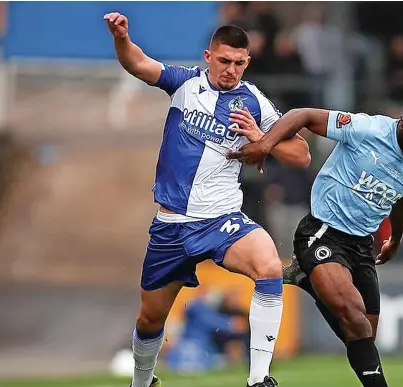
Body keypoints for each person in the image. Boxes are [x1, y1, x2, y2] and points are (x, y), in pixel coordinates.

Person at [103, 12, 311, 387]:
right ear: (208, 57)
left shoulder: (255, 104)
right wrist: (121, 37)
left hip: (220, 220)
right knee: (150, 319)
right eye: (224, 61)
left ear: (247, 63)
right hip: (171, 225)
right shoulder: (184, 85)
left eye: (238, 63)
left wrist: (261, 139)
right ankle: (142, 383)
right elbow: (137, 62)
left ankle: (259, 379)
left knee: (268, 265)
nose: (231, 70)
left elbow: (302, 155)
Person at [228, 94, 403, 387]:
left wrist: (395, 238)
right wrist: (265, 144)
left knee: (363, 333)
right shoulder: (366, 129)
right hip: (322, 233)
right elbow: (302, 114)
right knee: (354, 318)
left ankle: (307, 279)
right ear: (401, 121)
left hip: (362, 246)